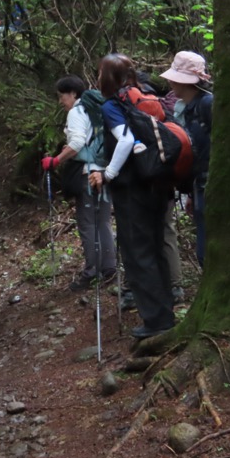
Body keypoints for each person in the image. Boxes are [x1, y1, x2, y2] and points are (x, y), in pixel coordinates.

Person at [88, 53, 175, 339]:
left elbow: (124, 140)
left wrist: (109, 174)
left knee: (138, 253)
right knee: (155, 248)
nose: (98, 77)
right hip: (157, 184)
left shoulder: (114, 105)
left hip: (132, 190)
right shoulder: (146, 96)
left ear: (110, 77)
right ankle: (165, 312)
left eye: (101, 72)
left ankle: (156, 320)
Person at [41, 76, 116, 292]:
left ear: (73, 93)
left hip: (87, 174)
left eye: (61, 96)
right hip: (104, 171)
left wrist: (56, 160)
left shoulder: (77, 111)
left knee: (87, 223)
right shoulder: (98, 108)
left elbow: (76, 143)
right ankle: (109, 269)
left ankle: (92, 271)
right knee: (102, 220)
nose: (60, 101)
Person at [161, 51, 213, 268]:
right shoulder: (185, 109)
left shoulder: (208, 105)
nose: (171, 82)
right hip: (198, 184)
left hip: (211, 183)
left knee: (208, 248)